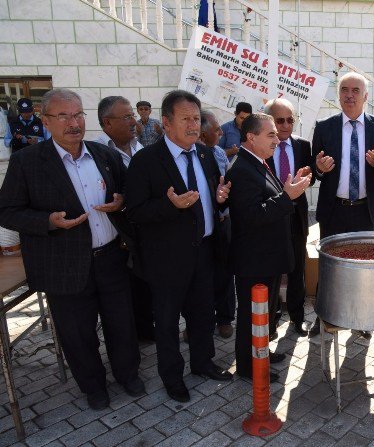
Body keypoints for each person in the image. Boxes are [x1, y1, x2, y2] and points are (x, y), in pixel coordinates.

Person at [0, 88, 143, 410]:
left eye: (77, 114)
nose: (73, 122)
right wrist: (47, 221)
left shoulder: (102, 154)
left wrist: (120, 202)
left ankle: (128, 374)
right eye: (63, 116)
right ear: (46, 121)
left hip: (110, 256)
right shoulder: (28, 162)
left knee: (121, 322)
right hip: (62, 264)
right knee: (77, 334)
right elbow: (6, 210)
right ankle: (93, 387)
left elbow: (124, 193)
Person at [125, 90, 233, 403]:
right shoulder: (146, 160)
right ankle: (172, 377)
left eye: (196, 119)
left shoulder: (204, 154)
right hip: (167, 259)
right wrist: (170, 206)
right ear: (167, 123)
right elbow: (134, 211)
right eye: (185, 119)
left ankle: (202, 363)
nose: (192, 125)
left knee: (202, 314)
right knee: (169, 321)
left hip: (203, 251)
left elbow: (212, 195)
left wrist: (220, 198)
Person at [225, 113, 311, 383]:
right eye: (271, 134)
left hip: (268, 257)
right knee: (252, 315)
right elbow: (252, 216)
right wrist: (288, 197)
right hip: (254, 259)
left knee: (265, 313)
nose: (277, 138)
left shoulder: (258, 163)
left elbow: (269, 198)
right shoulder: (240, 169)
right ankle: (248, 366)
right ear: (251, 137)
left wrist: (287, 190)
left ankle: (260, 353)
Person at [309, 72, 374, 337]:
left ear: (366, 96)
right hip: (334, 209)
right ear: (339, 94)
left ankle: (361, 318)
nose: (349, 95)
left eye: (356, 90)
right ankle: (324, 316)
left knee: (363, 267)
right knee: (329, 266)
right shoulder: (324, 127)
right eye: (345, 89)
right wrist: (320, 170)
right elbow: (314, 169)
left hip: (365, 209)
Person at [95, 96, 155, 342]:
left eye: (133, 115)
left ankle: (145, 329)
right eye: (127, 116)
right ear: (107, 123)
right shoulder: (98, 153)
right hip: (116, 236)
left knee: (144, 285)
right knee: (123, 292)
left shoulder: (139, 148)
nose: (134, 121)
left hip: (144, 232)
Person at [264, 98, 314, 337]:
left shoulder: (303, 146)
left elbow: (309, 177)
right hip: (271, 216)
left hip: (297, 215)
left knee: (297, 269)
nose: (285, 125)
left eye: (290, 120)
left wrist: (308, 176)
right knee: (273, 268)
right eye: (279, 120)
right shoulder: (261, 148)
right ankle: (271, 319)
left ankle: (297, 317)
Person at [199, 109, 235, 339]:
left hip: (222, 221)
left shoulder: (219, 153)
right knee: (201, 277)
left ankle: (224, 318)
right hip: (199, 229)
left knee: (224, 273)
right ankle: (200, 320)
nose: (221, 133)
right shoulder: (190, 155)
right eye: (216, 130)